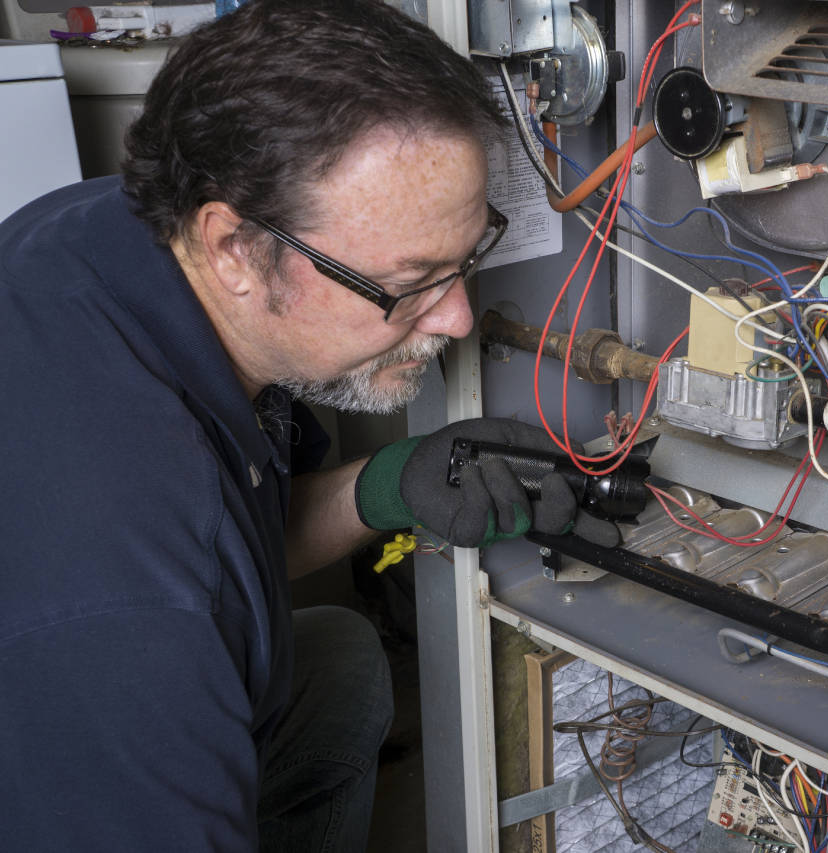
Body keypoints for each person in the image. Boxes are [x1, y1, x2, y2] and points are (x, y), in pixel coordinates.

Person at [0, 0, 616, 849]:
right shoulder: (137, 603)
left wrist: (387, 484)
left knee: (341, 664)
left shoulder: (113, 230)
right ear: (235, 249)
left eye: (466, 258)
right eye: (412, 280)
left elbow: (240, 538)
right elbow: (188, 571)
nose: (459, 320)